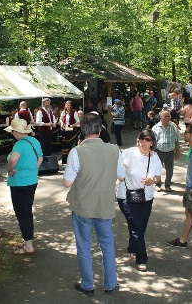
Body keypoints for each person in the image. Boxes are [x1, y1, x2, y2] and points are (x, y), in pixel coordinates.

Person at [63, 113, 124, 295]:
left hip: (83, 206)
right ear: (99, 129)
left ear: (82, 131)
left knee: (84, 246)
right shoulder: (114, 150)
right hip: (105, 206)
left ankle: (88, 285)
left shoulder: (77, 152)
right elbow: (121, 175)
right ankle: (110, 284)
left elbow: (68, 182)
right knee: (107, 246)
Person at [116, 129, 163, 271]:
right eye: (142, 139)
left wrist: (152, 180)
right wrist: (121, 174)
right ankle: (142, 259)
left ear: (152, 143)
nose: (144, 142)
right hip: (127, 196)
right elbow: (119, 172)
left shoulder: (154, 157)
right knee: (136, 226)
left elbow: (159, 177)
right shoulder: (129, 153)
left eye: (147, 140)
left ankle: (132, 247)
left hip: (147, 197)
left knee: (140, 226)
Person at [5, 119, 43, 255]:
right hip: (32, 180)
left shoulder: (19, 144)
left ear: (16, 132)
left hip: (19, 182)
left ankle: (28, 245)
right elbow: (40, 158)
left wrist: (9, 170)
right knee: (27, 211)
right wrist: (32, 170)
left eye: (13, 131)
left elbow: (13, 160)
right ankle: (28, 241)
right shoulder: (34, 141)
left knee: (22, 213)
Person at [152, 110, 180, 192]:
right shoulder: (155, 127)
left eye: (169, 116)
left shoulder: (173, 127)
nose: (167, 118)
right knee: (157, 169)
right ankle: (158, 184)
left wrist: (177, 152)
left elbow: (176, 141)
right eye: (165, 116)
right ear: (161, 118)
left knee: (170, 170)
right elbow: (152, 141)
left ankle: (167, 185)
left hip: (170, 152)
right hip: (159, 151)